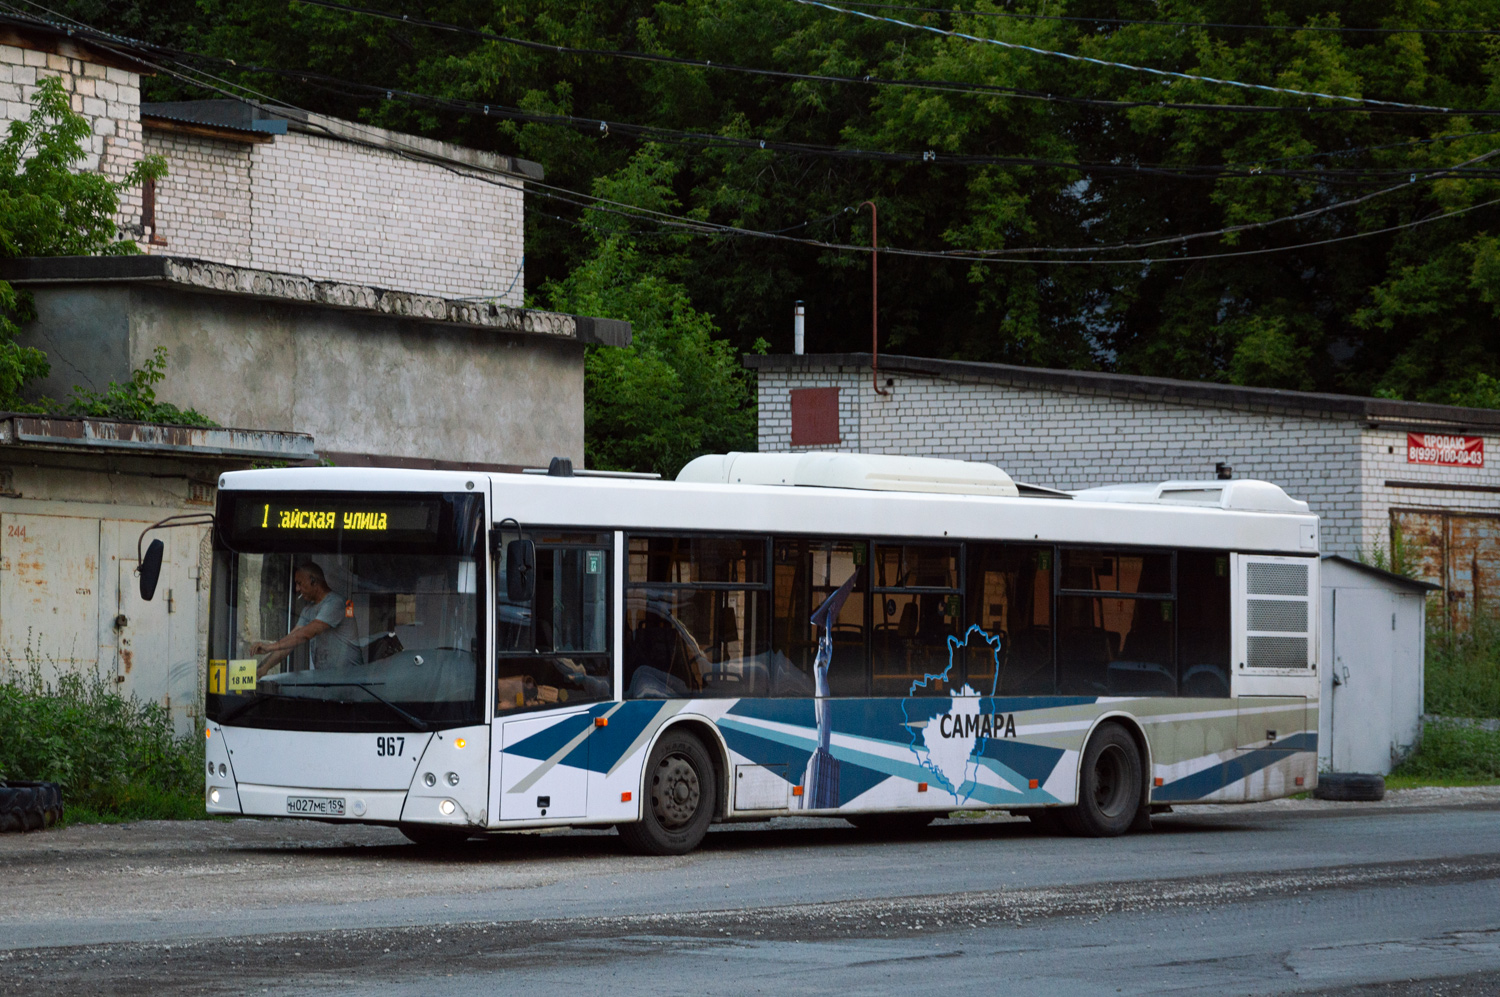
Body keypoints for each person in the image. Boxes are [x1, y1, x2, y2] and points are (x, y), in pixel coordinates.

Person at [251, 561, 362, 676]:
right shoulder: (308, 610)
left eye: (299, 583)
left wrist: (269, 647)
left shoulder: (335, 603)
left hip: (349, 680)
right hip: (327, 680)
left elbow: (306, 634)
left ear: (313, 581)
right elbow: (291, 640)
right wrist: (265, 668)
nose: (297, 589)